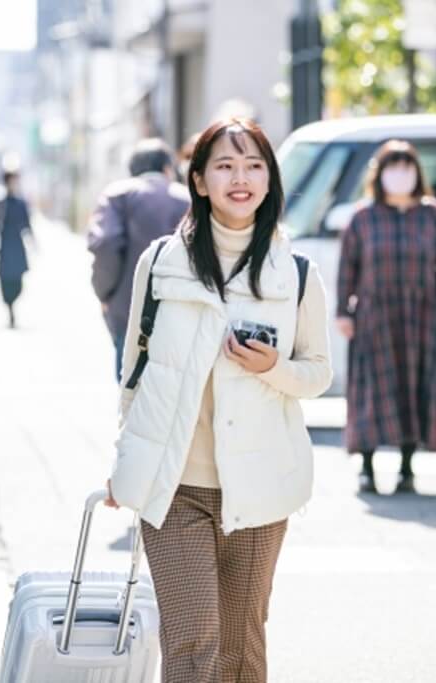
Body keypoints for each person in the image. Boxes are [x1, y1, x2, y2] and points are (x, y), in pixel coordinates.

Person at [105, 118, 334, 682]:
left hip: (260, 488)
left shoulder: (297, 273)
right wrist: (124, 463)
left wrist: (274, 368)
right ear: (200, 181)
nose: (241, 177)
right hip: (176, 488)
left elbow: (318, 374)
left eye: (254, 165)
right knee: (192, 645)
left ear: (270, 180)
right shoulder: (160, 262)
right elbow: (134, 372)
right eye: (225, 166)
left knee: (240, 648)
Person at [336, 140, 436, 495]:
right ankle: (365, 466)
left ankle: (407, 467)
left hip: (418, 315)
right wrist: (343, 312)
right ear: (380, 175)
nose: (400, 176)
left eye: (407, 168)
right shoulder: (363, 217)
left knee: (414, 386)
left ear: (417, 174)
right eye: (393, 168)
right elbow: (347, 267)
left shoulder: (433, 215)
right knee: (371, 389)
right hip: (372, 317)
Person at [87, 138, 190, 379]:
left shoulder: (117, 195)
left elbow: (105, 244)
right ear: (167, 168)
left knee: (130, 388)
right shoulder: (186, 198)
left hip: (127, 309)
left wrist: (104, 293)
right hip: (181, 311)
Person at [0, 171, 32, 329]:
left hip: (17, 245)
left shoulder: (21, 203)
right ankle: (10, 309)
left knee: (18, 281)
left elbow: (27, 224)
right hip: (5, 246)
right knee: (5, 280)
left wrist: (32, 241)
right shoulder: (2, 204)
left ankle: (12, 305)